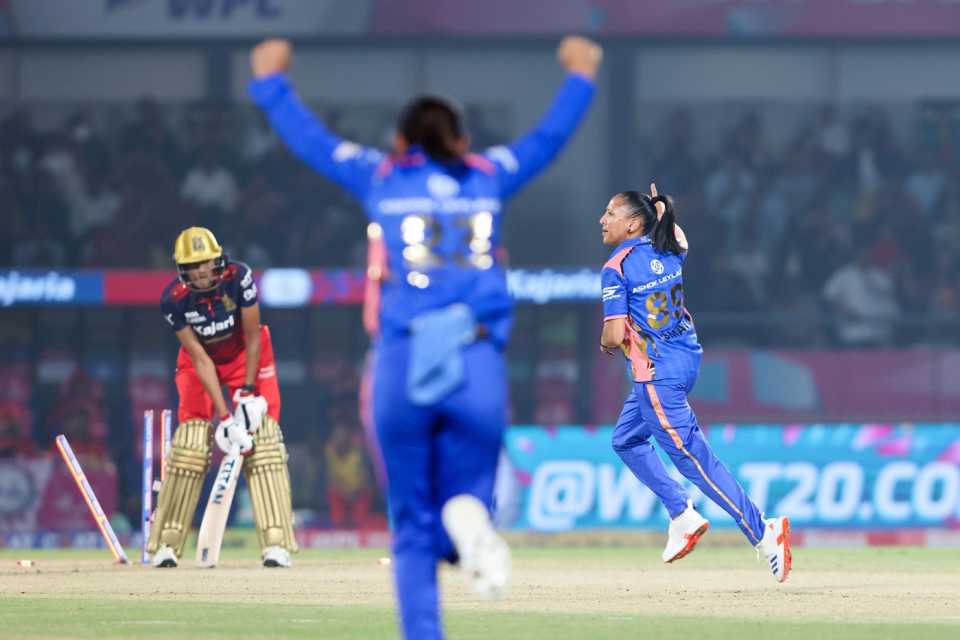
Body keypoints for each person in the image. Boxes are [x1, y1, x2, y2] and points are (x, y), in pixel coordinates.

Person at [249, 35, 602, 639]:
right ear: (462, 141)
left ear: (401, 142)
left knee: (411, 528)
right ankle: (467, 518)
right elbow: (547, 141)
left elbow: (312, 142)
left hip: (403, 359)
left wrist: (270, 82)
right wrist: (581, 75)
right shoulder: (491, 176)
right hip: (477, 359)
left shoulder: (380, 176)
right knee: (468, 497)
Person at [598, 184, 792, 583]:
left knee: (694, 459)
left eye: (611, 214)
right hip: (685, 358)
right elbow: (679, 235)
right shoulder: (669, 248)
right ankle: (680, 512)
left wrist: (605, 343)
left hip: (656, 374)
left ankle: (762, 531)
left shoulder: (615, 268)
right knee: (626, 439)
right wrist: (665, 208)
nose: (602, 220)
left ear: (633, 223)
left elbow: (614, 335)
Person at [151, 226, 297, 568]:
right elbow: (200, 359)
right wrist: (226, 417)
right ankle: (166, 544)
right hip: (201, 363)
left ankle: (276, 544)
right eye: (193, 265)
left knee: (265, 441)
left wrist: (246, 393)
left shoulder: (239, 277)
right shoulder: (173, 299)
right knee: (190, 443)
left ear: (217, 259)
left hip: (246, 356)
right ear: (182, 269)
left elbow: (252, 337)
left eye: (206, 263)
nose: (201, 272)